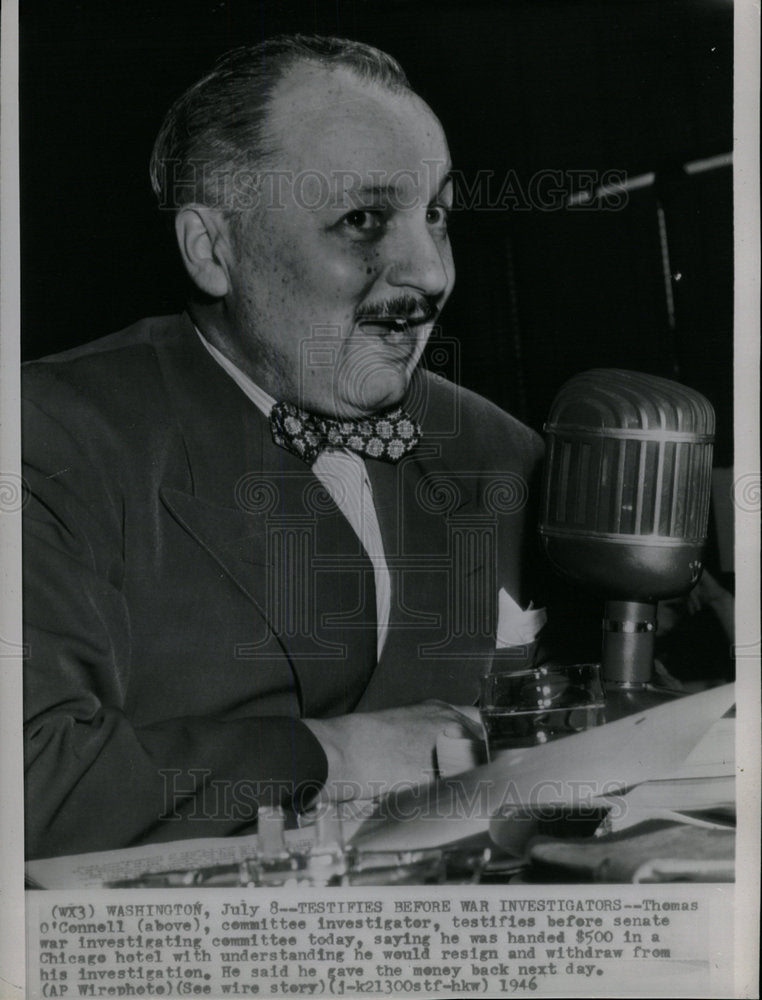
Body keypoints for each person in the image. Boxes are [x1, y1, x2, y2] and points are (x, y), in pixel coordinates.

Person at [22, 35, 546, 860]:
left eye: (435, 214)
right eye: (364, 219)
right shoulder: (46, 436)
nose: (431, 272)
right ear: (214, 249)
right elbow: (30, 783)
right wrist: (336, 756)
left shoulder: (498, 449)